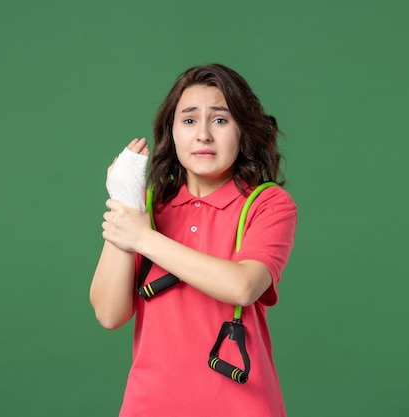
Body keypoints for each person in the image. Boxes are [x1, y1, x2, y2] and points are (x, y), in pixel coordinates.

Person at [90, 63, 297, 416]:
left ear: (243, 131)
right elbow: (110, 313)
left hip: (241, 407)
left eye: (219, 120)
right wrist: (127, 202)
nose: (203, 135)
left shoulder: (268, 204)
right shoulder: (148, 207)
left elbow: (243, 286)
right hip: (149, 406)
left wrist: (144, 238)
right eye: (188, 120)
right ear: (171, 133)